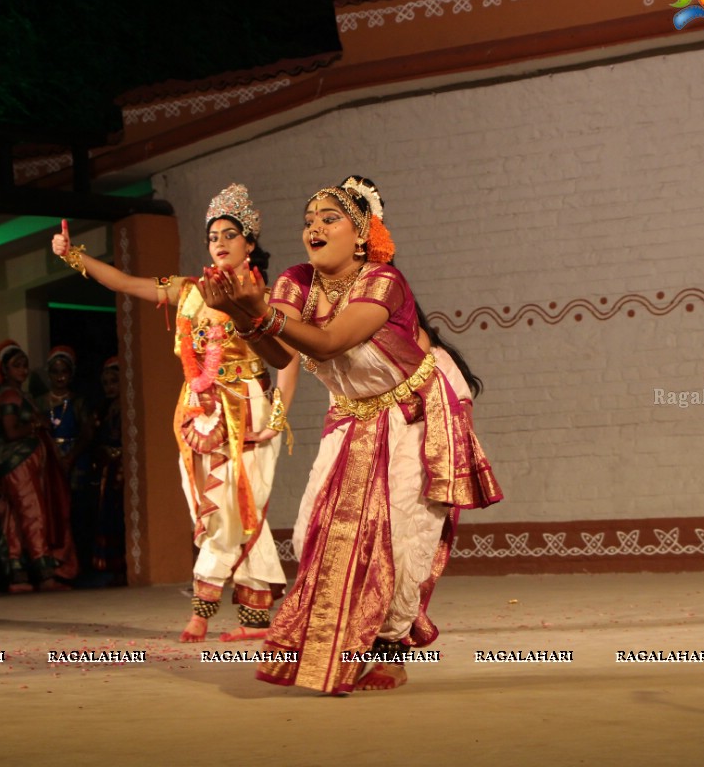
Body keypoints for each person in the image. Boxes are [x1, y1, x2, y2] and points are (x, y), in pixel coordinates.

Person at [201, 176, 503, 694]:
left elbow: (329, 341)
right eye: (308, 221)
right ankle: (332, 643)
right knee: (315, 531)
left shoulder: (384, 281)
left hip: (416, 413)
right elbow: (282, 354)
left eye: (328, 219)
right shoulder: (297, 279)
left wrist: (259, 312)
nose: (313, 228)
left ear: (362, 235)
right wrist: (238, 311)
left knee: (401, 537)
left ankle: (390, 653)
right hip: (354, 413)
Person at [51, 184, 298, 641]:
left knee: (236, 503)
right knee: (214, 508)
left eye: (229, 234)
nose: (219, 243)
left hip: (245, 404)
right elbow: (123, 283)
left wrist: (278, 416)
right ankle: (256, 616)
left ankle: (202, 606)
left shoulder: (261, 293)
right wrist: (74, 257)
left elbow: (289, 354)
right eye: (212, 237)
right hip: (194, 409)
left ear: (249, 243)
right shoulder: (187, 290)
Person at [0, 340, 79, 592]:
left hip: (23, 464)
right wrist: (36, 426)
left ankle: (18, 574)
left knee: (15, 517)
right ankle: (44, 573)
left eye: (25, 365)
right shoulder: (9, 394)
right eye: (17, 366)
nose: (23, 370)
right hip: (17, 463)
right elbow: (10, 432)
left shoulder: (19, 394)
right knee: (33, 514)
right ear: (5, 370)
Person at [39, 346, 97, 580]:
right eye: (55, 371)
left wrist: (70, 457)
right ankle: (56, 566)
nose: (59, 376)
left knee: (77, 513)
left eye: (64, 372)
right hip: (49, 463)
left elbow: (88, 433)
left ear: (71, 374)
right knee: (53, 514)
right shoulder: (39, 403)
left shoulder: (78, 402)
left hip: (75, 463)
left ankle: (79, 566)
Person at [91, 356, 127, 584]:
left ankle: (123, 566)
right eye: (106, 383)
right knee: (108, 515)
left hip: (122, 468)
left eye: (114, 381)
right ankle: (112, 568)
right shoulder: (103, 409)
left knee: (120, 514)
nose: (110, 387)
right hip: (108, 468)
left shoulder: (125, 407)